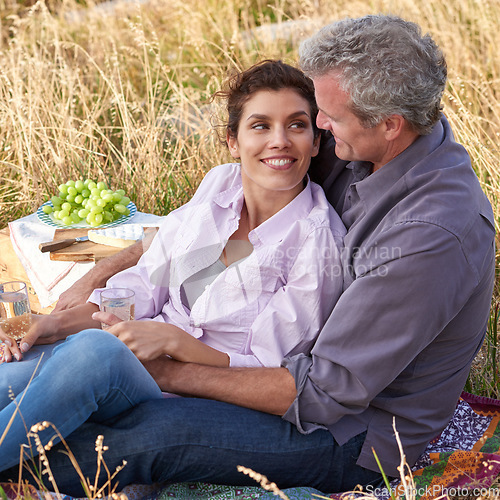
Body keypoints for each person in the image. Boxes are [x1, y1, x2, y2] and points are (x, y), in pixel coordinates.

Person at [1, 14, 495, 497]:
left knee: (147, 433)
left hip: (351, 434)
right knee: (50, 363)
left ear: (390, 124)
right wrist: (105, 274)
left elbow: (321, 393)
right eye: (316, 114)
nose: (314, 129)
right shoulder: (367, 132)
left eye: (324, 120)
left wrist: (165, 365)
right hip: (261, 360)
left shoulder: (428, 237)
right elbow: (225, 245)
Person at [0, 61, 346, 471]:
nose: (279, 141)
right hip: (130, 357)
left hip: (195, 396)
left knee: (95, 352)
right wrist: (48, 325)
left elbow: (268, 366)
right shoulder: (220, 184)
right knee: (13, 371)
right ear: (233, 141)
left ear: (315, 142)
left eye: (296, 125)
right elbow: (143, 288)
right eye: (260, 125)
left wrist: (173, 341)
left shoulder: (318, 239)